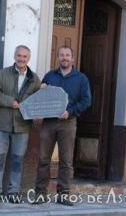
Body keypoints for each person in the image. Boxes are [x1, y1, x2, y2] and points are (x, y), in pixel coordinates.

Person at [34, 46, 91, 206]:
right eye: (61, 55)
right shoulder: (49, 76)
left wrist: (70, 112)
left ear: (72, 58)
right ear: (58, 58)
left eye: (67, 55)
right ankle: (40, 194)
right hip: (49, 123)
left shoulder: (81, 78)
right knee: (43, 159)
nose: (64, 58)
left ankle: (63, 195)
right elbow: (38, 99)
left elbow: (86, 101)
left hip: (68, 122)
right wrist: (40, 90)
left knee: (66, 161)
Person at [0, 45, 41, 203]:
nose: (21, 59)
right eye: (19, 55)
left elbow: (39, 99)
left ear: (28, 58)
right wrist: (10, 102)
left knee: (18, 160)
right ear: (14, 56)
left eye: (25, 56)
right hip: (2, 124)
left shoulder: (34, 79)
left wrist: (44, 91)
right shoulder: (2, 74)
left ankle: (13, 192)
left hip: (22, 126)